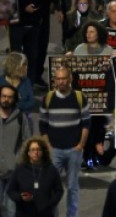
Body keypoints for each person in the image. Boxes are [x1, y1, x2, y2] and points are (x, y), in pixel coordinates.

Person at [38, 67, 90, 217]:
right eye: (58, 79)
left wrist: (81, 145)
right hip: (54, 150)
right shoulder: (48, 98)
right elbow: (43, 125)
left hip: (74, 150)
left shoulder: (80, 97)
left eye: (63, 78)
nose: (60, 82)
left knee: (73, 187)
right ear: (54, 80)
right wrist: (48, 146)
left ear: (70, 79)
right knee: (50, 187)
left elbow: (86, 124)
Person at [5, 137, 63, 217]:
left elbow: (59, 190)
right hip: (24, 212)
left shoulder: (51, 170)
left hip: (45, 213)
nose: (36, 152)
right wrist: (20, 198)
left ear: (43, 152)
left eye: (38, 149)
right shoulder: (19, 170)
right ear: (28, 153)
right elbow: (10, 190)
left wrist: (50, 203)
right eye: (32, 150)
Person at [0, 83, 30, 217]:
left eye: (9, 97)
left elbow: (27, 142)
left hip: (13, 171)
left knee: (10, 209)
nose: (6, 99)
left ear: (14, 99)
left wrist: (20, 161)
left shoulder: (20, 118)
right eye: (3, 96)